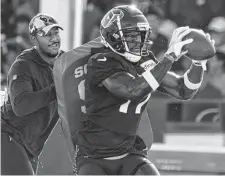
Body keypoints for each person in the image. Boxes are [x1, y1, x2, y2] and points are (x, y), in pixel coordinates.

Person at [71, 5, 215, 175]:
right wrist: (169, 57)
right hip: (93, 157)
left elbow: (183, 90)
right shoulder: (100, 61)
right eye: (132, 36)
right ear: (113, 37)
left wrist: (198, 63)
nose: (139, 42)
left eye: (142, 36)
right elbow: (132, 90)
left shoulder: (144, 60)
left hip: (129, 153)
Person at [1, 13, 64, 175]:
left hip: (31, 147)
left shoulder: (65, 61)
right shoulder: (22, 66)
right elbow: (21, 105)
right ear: (34, 40)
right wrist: (56, 88)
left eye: (56, 32)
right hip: (8, 137)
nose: (53, 38)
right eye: (46, 34)